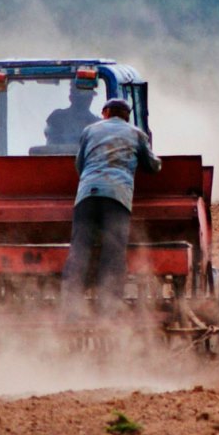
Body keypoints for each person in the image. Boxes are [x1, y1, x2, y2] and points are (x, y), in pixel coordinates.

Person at [60, 98, 162, 318]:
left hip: (86, 195)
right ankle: (109, 309)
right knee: (113, 252)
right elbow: (152, 166)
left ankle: (70, 309)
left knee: (79, 250)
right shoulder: (136, 134)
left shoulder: (89, 131)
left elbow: (80, 164)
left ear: (105, 112)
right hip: (117, 198)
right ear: (127, 116)